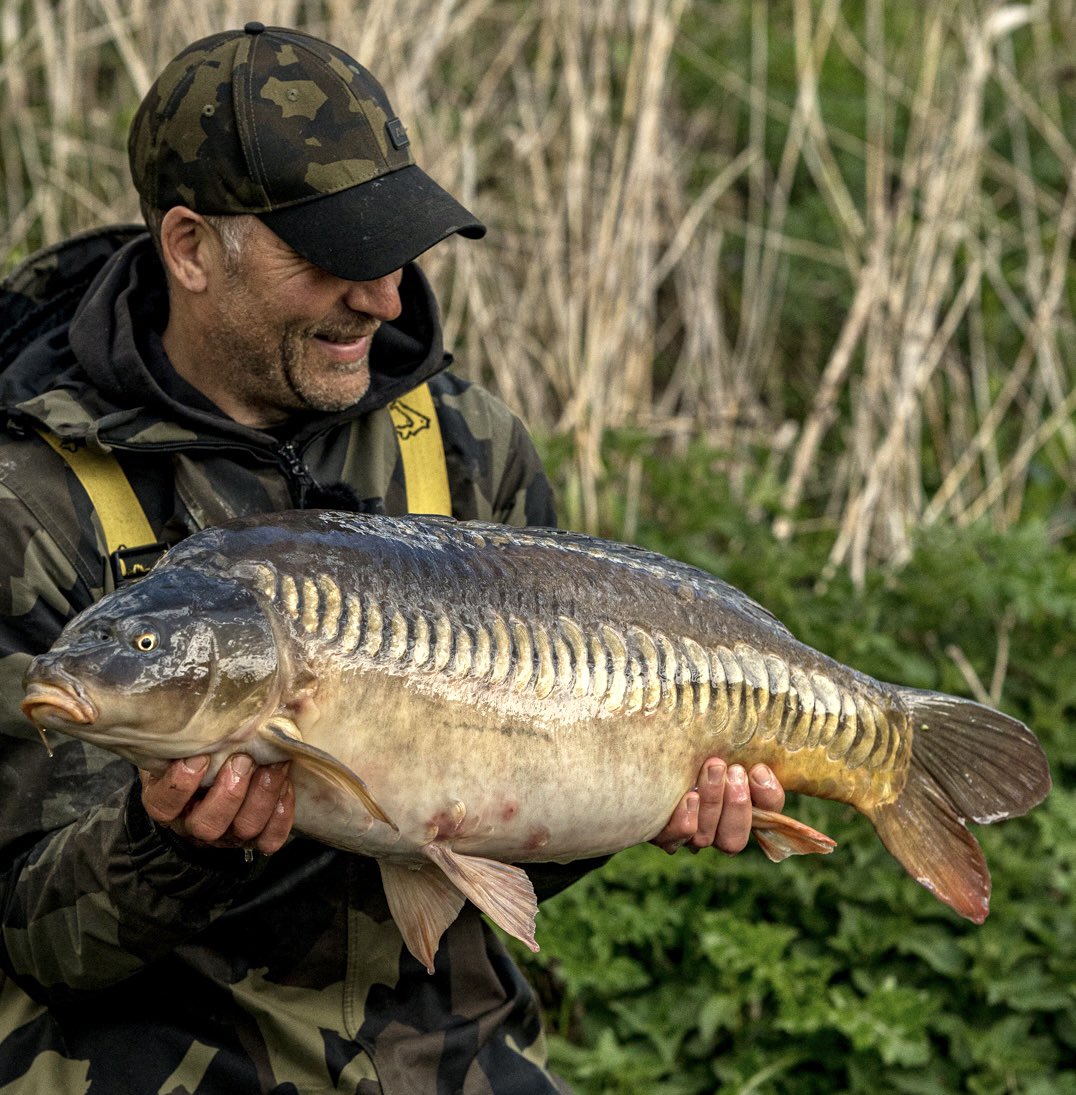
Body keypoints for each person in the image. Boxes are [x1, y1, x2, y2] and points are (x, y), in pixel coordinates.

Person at [0, 24, 786, 1094]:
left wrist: (638, 797)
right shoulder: (29, 503)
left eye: (391, 247)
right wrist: (171, 847)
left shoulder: (464, 445)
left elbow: (492, 833)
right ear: (189, 248)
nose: (381, 297)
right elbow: (36, 940)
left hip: (440, 1049)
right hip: (146, 1057)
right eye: (330, 257)